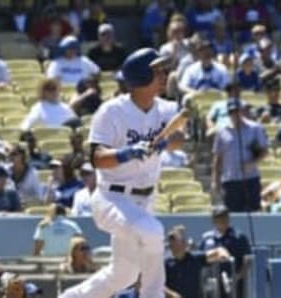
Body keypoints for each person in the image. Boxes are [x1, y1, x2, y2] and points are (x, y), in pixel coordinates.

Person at [60, 48, 191, 298]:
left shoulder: (165, 108)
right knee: (153, 232)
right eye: (156, 71)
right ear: (140, 76)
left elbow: (179, 136)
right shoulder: (112, 111)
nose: (163, 75)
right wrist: (126, 153)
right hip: (112, 198)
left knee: (124, 275)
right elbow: (97, 159)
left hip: (144, 200)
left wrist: (164, 143)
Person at [212, 98, 269, 212]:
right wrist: (215, 180)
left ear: (242, 111)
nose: (235, 114)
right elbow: (218, 157)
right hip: (230, 180)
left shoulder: (255, 128)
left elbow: (264, 151)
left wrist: (252, 163)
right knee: (233, 214)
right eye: (231, 112)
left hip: (250, 178)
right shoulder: (222, 131)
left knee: (253, 212)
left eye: (237, 111)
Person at [164, 225, 231, 298]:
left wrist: (223, 253)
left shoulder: (194, 259)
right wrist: (171, 294)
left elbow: (217, 252)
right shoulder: (166, 264)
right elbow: (158, 286)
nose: (174, 247)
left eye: (177, 244)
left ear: (184, 244)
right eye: (172, 245)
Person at [199, 206, 252, 298]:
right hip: (211, 284)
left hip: (234, 286)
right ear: (213, 220)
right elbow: (201, 260)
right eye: (218, 217)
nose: (221, 220)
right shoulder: (207, 238)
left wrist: (238, 276)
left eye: (224, 217)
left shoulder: (238, 237)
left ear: (228, 218)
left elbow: (247, 261)